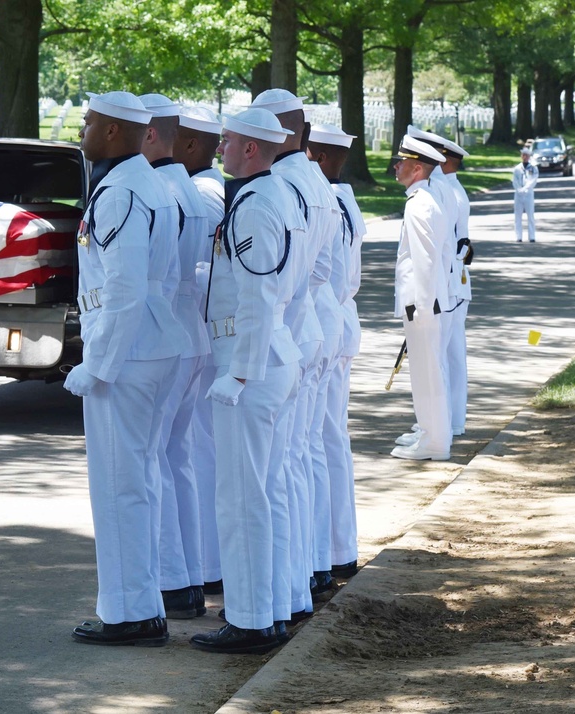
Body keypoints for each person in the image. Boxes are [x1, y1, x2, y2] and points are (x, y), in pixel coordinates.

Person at [65, 91, 186, 646]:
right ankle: (144, 603)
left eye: (89, 122)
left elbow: (124, 285)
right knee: (140, 480)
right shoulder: (147, 182)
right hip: (152, 345)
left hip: (130, 354)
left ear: (113, 130)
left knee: (119, 487)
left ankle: (129, 615)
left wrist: (99, 365)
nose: (82, 129)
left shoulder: (121, 190)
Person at [190, 107, 304, 654]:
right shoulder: (272, 194)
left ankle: (251, 621)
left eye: (229, 140)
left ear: (252, 150)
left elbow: (258, 296)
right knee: (265, 493)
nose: (221, 149)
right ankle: (271, 611)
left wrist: (237, 372)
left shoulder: (256, 202)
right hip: (270, 359)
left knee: (242, 498)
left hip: (252, 365)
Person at [250, 88, 341, 616]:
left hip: (287, 331)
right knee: (295, 463)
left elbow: (292, 273)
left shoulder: (284, 182)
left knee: (279, 471)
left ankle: (282, 596)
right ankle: (302, 578)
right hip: (306, 327)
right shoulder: (311, 177)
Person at [138, 93, 210, 620]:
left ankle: (169, 579)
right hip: (190, 331)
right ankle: (186, 575)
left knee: (152, 459)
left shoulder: (159, 189)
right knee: (175, 456)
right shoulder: (188, 187)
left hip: (163, 330)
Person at [305, 123, 365, 579]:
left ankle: (330, 553)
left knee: (322, 440)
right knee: (330, 438)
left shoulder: (330, 200)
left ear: (319, 158)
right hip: (339, 322)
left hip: (327, 320)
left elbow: (334, 278)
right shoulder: (344, 199)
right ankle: (338, 548)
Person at [172, 105, 226, 597]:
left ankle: (210, 565)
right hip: (204, 337)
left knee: (202, 452)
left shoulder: (204, 195)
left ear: (191, 146)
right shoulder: (203, 190)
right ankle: (205, 562)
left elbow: (201, 276)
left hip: (205, 338)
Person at [390, 135, 452, 461]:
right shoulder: (424, 200)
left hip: (421, 304)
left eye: (401, 162)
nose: (395, 166)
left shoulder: (419, 204)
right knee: (428, 372)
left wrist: (423, 308)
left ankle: (434, 442)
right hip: (424, 303)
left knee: (426, 375)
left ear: (416, 168)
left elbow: (426, 262)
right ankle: (431, 437)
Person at [437, 138, 473, 437]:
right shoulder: (448, 189)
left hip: (453, 282)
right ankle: (448, 418)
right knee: (448, 353)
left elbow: (457, 246)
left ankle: (451, 420)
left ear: (445, 160)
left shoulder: (450, 192)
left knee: (450, 353)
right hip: (453, 280)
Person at [513, 147, 538, 242]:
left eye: (526, 155)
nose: (525, 157)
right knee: (517, 216)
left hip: (528, 194)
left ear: (529, 156)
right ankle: (518, 236)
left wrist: (526, 188)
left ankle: (532, 236)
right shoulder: (517, 168)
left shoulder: (533, 168)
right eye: (523, 155)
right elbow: (514, 181)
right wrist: (519, 189)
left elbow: (533, 180)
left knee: (530, 215)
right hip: (518, 195)